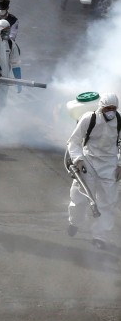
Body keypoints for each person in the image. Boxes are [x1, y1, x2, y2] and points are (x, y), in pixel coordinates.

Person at [66, 93, 121, 249]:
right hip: (88, 160)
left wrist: (120, 164)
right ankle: (74, 222)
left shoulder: (119, 120)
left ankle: (100, 236)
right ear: (100, 108)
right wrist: (78, 160)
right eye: (107, 108)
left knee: (107, 203)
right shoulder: (89, 119)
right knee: (80, 198)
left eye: (113, 108)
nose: (110, 111)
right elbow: (74, 142)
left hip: (109, 165)